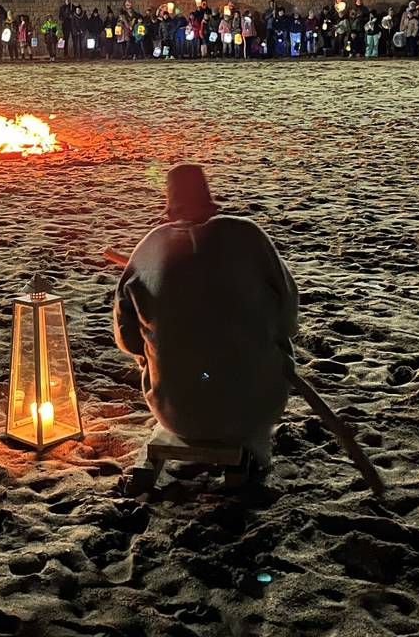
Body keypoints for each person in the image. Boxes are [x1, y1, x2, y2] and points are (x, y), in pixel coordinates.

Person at [114, 163, 299, 486]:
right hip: (251, 408)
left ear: (169, 205)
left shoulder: (148, 248)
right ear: (209, 200)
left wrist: (155, 353)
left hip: (176, 412)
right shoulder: (248, 236)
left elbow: (126, 337)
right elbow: (288, 312)